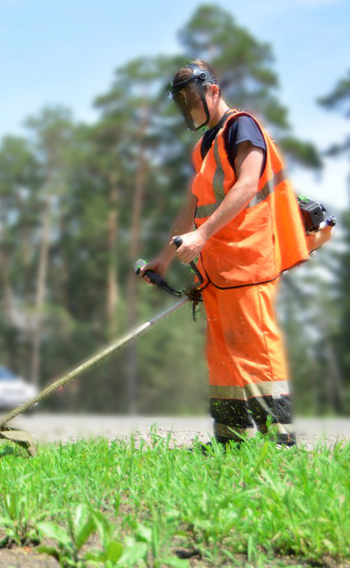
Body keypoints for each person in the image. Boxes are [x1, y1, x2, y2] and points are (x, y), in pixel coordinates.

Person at [141, 60, 314, 448]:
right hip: (217, 269)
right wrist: (164, 258)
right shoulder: (204, 144)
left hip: (249, 260)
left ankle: (279, 446)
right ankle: (231, 441)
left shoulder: (242, 127)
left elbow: (249, 183)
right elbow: (193, 202)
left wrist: (201, 236)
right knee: (223, 357)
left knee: (256, 350)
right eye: (181, 101)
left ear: (213, 91)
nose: (187, 108)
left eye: (191, 98)